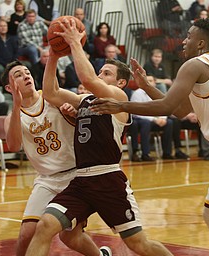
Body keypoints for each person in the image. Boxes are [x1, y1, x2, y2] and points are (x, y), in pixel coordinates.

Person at [92, 18, 209, 256]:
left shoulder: (194, 64)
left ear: (201, 43)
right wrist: (145, 86)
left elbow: (166, 107)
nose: (184, 41)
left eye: (189, 36)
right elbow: (180, 110)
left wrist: (121, 105)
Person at [25, 18, 173, 256]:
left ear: (121, 82)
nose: (101, 74)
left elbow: (88, 80)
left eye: (107, 72)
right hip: (81, 181)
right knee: (45, 226)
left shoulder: (117, 99)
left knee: (139, 245)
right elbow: (51, 93)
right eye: (101, 70)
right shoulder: (85, 100)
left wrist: (74, 42)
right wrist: (53, 55)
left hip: (108, 180)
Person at [0, 60, 104, 256]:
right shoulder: (13, 116)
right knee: (26, 234)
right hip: (47, 180)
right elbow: (13, 145)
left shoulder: (51, 98)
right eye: (18, 75)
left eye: (27, 72)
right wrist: (15, 106)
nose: (26, 76)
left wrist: (73, 114)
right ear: (9, 87)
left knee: (69, 236)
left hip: (75, 176)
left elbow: (82, 121)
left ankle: (100, 255)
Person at [129, 75, 174, 161]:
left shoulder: (158, 93)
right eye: (147, 81)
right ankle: (145, 154)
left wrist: (163, 118)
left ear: (155, 83)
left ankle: (167, 153)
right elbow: (137, 112)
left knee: (169, 123)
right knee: (146, 123)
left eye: (151, 81)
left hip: (155, 120)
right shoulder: (137, 93)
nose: (149, 83)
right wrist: (155, 119)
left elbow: (164, 108)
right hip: (141, 120)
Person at [0, 19, 19, 84]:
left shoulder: (11, 38)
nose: (3, 28)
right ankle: (5, 87)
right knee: (0, 70)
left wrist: (12, 62)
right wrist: (5, 64)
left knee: (26, 65)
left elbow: (16, 51)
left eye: (5, 26)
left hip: (11, 61)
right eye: (1, 26)